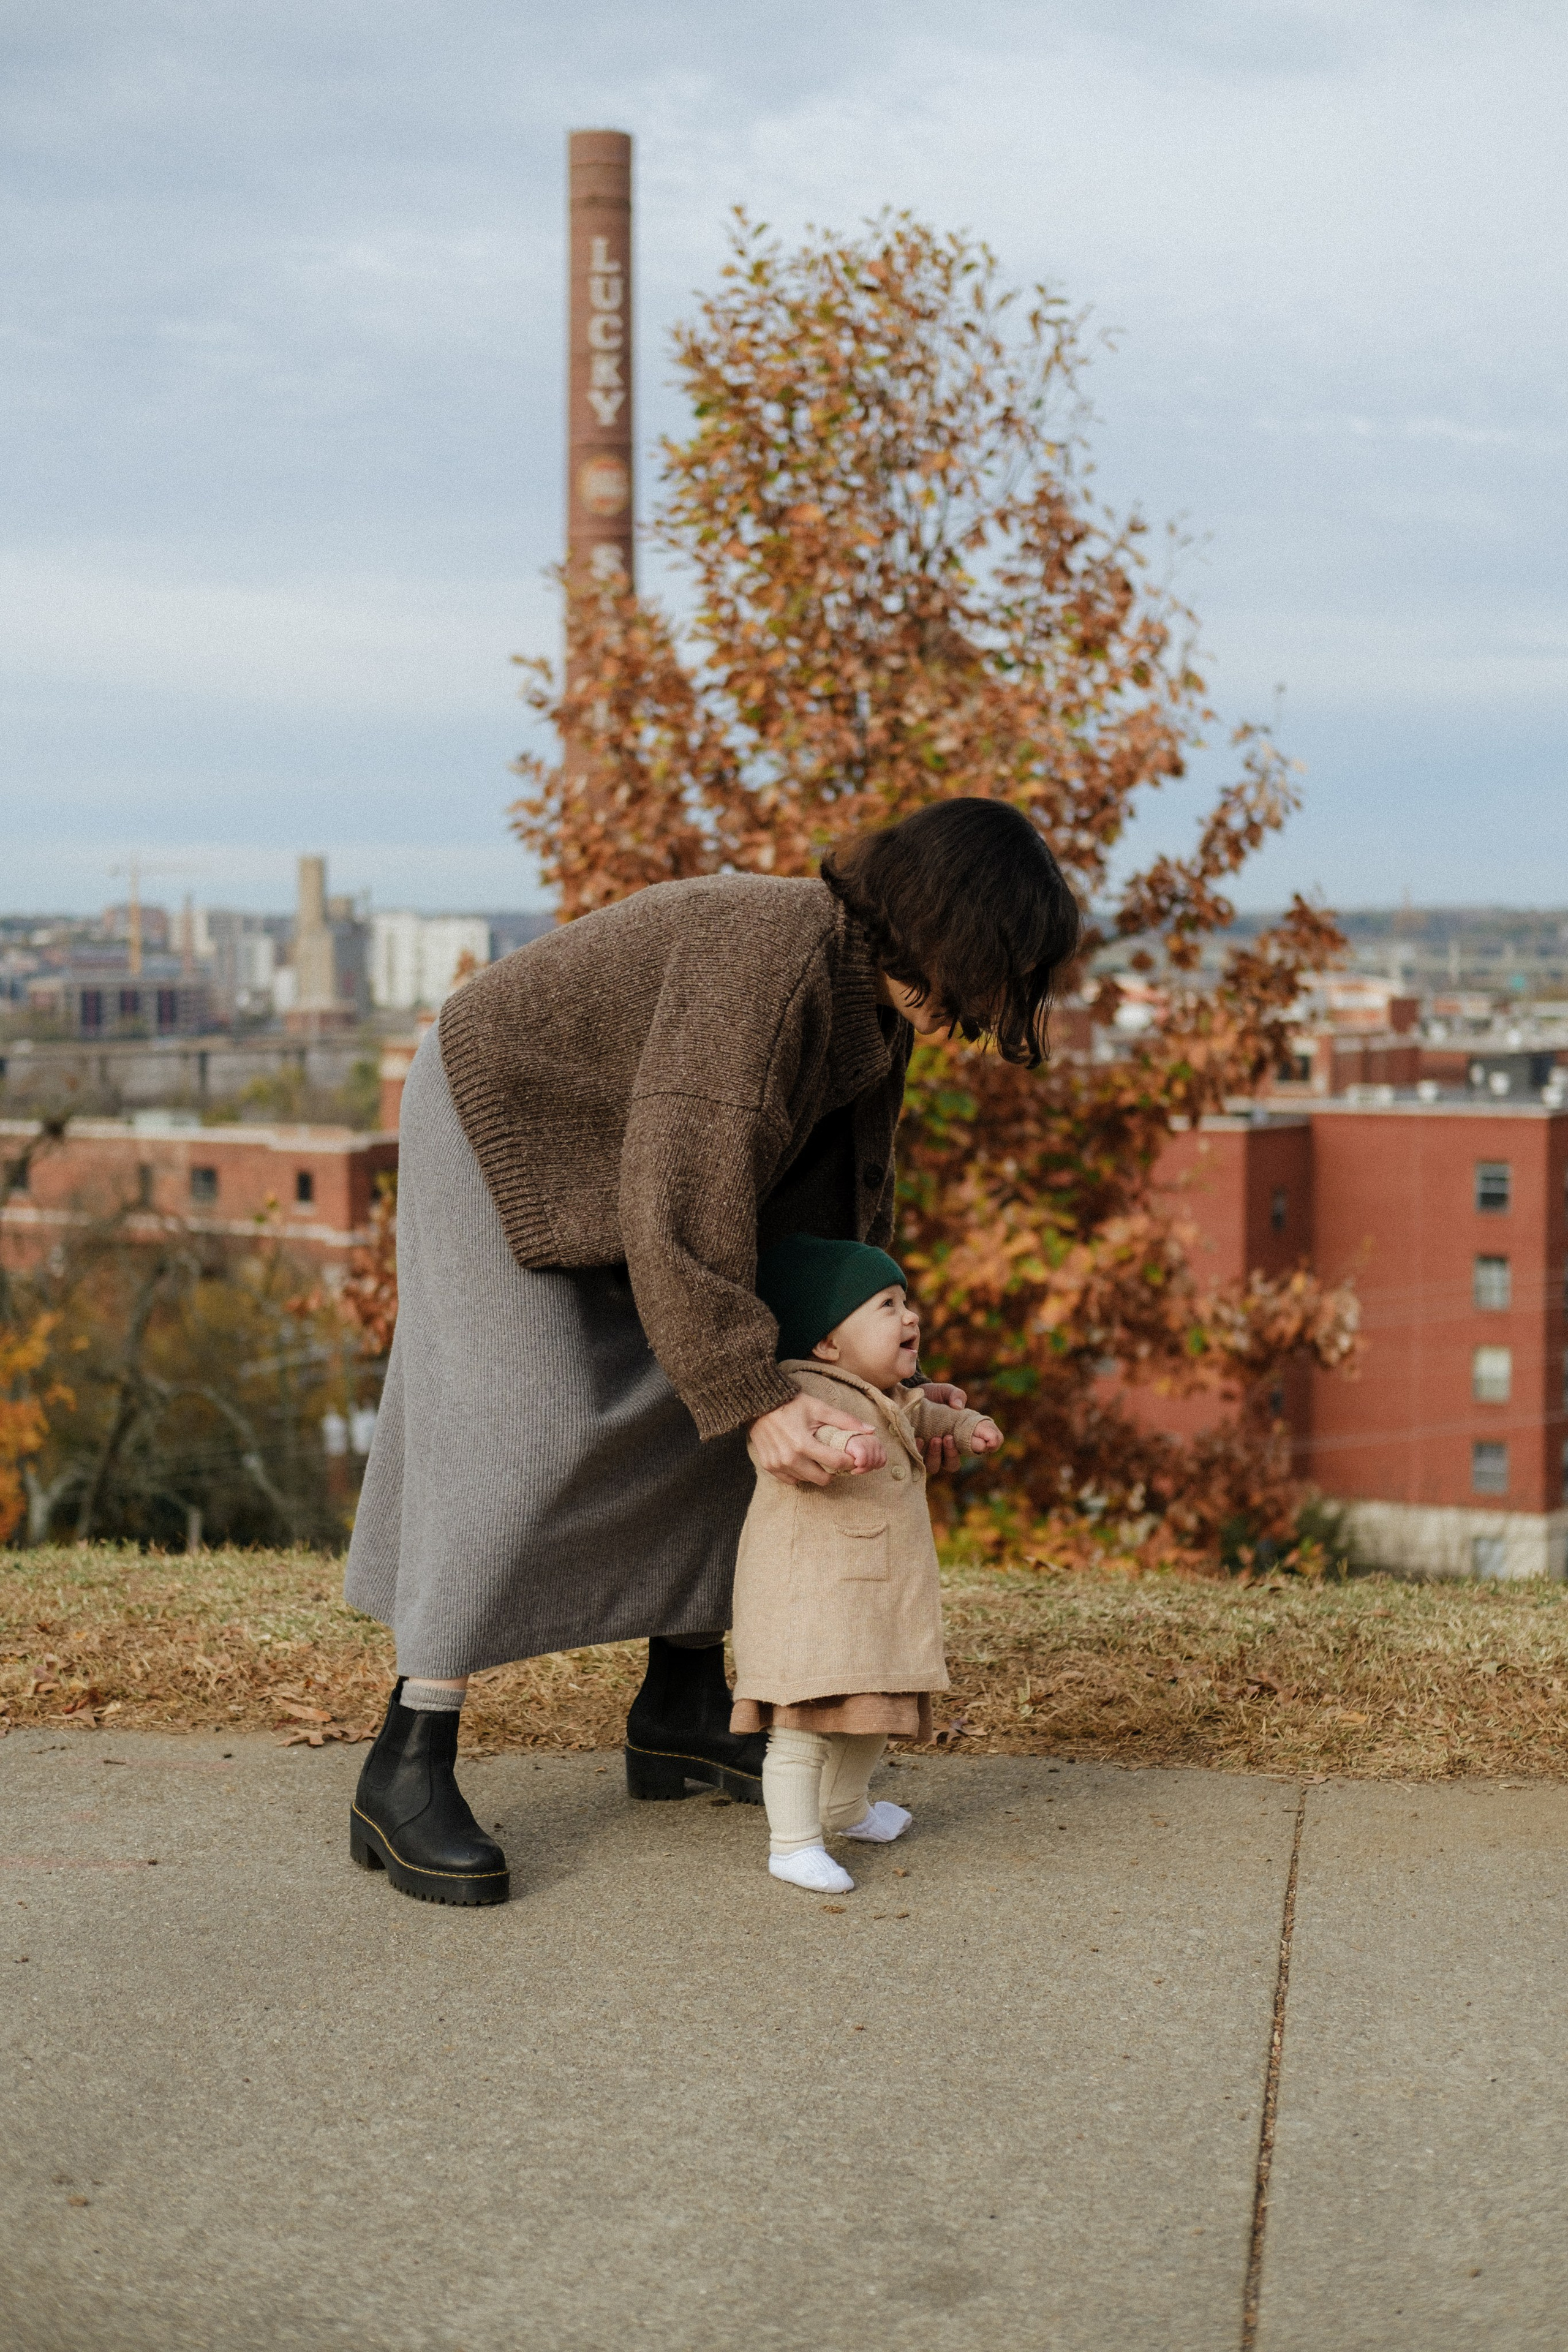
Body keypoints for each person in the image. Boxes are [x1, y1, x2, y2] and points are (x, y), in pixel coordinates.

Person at [344, 796, 1079, 1906]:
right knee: (519, 1427)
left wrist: (857, 1377)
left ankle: (681, 1715)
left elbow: (833, 1223)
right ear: (953, 933)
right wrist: (748, 1391)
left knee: (749, 1384)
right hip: (507, 1119)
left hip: (642, 1154)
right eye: (1004, 965)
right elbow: (681, 1193)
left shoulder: (875, 1014)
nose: (1001, 997)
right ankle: (403, 1766)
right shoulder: (771, 959)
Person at [731, 1234, 1002, 1893]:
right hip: (811, 1600)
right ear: (827, 1342)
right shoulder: (804, 1390)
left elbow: (932, 1415)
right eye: (886, 1305)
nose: (910, 1317)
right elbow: (810, 1435)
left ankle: (844, 1808)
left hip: (874, 1598)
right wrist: (840, 1442)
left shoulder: (892, 1394)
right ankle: (791, 1844)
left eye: (907, 1302)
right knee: (801, 1726)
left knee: (871, 1713)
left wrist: (970, 1429)